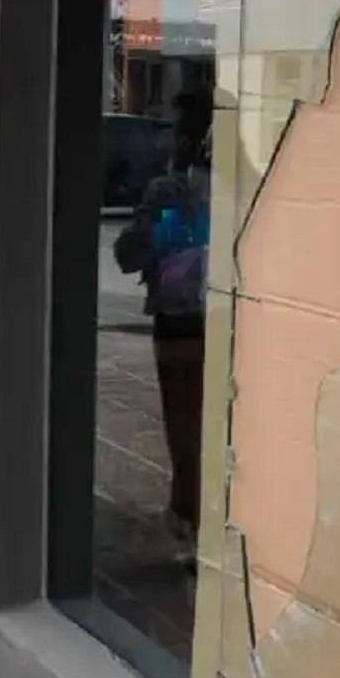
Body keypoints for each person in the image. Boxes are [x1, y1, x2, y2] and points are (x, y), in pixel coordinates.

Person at [114, 89, 213, 563]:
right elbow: (127, 254)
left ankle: (189, 517)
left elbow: (127, 254)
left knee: (188, 431)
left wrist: (159, 230)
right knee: (201, 431)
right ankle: (190, 515)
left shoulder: (170, 190)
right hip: (205, 325)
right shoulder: (241, 183)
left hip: (184, 325)